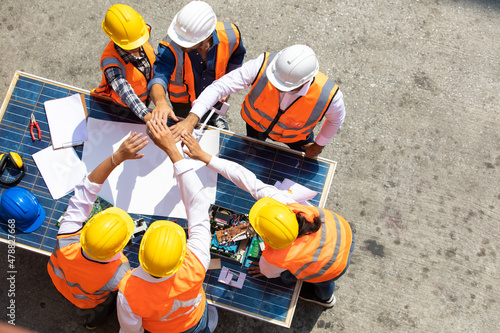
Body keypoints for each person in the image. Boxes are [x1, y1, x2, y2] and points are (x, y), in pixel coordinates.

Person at [181, 132, 354, 308]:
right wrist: (205, 157)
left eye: (257, 230)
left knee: (307, 280)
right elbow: (244, 177)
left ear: (270, 242)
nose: (251, 229)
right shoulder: (287, 204)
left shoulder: (276, 258)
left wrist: (264, 270)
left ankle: (325, 299)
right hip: (342, 232)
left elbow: (268, 272)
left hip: (332, 267)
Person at [117, 119, 217, 332]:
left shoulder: (129, 290)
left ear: (141, 251)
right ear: (182, 253)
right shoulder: (197, 261)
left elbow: (131, 330)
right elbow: (198, 205)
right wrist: (173, 150)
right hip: (195, 320)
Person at [47, 132, 148, 329]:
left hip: (59, 281)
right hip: (87, 301)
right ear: (122, 246)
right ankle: (93, 324)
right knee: (101, 310)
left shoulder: (66, 238)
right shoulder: (119, 272)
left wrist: (116, 157)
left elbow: (85, 190)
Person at [178, 44, 345, 158]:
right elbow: (220, 87)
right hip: (256, 126)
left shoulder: (329, 96)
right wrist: (192, 118)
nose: (278, 87)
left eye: (286, 87)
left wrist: (319, 145)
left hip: (296, 138)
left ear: (305, 80)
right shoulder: (264, 65)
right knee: (254, 151)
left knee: (302, 165)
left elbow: (335, 120)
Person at [148, 0, 246, 130]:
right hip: (184, 103)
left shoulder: (231, 35)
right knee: (186, 129)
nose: (180, 44)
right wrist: (160, 102)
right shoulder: (169, 48)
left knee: (213, 118)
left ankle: (215, 118)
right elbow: (159, 76)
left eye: (187, 43)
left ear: (207, 37)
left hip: (216, 98)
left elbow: (236, 56)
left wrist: (228, 86)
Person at [91, 4, 156, 122]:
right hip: (122, 107)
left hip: (145, 102)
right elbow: (125, 91)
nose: (136, 47)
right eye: (131, 46)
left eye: (138, 42)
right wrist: (147, 116)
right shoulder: (110, 61)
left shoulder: (141, 32)